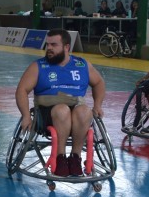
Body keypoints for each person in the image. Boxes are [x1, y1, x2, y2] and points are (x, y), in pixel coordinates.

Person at [14, 29, 105, 177]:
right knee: (62, 110)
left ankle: (75, 157)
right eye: (47, 44)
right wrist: (25, 116)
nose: (48, 48)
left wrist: (98, 105)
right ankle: (60, 158)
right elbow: (21, 90)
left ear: (66, 47)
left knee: (84, 111)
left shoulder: (81, 65)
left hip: (75, 107)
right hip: (47, 111)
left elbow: (99, 83)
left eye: (54, 45)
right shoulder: (38, 66)